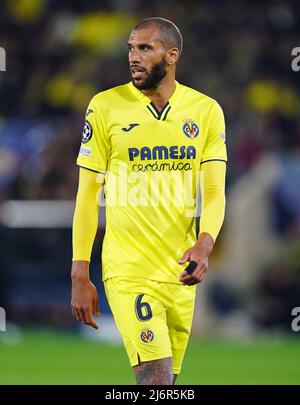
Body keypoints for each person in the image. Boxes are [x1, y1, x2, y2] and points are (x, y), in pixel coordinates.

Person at [71, 17, 227, 385]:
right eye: (130, 48)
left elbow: (216, 192)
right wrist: (80, 270)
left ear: (172, 55)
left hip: (180, 273)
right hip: (129, 270)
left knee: (165, 386)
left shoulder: (205, 111)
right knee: (155, 380)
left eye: (145, 48)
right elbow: (88, 193)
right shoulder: (106, 106)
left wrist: (204, 245)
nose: (134, 57)